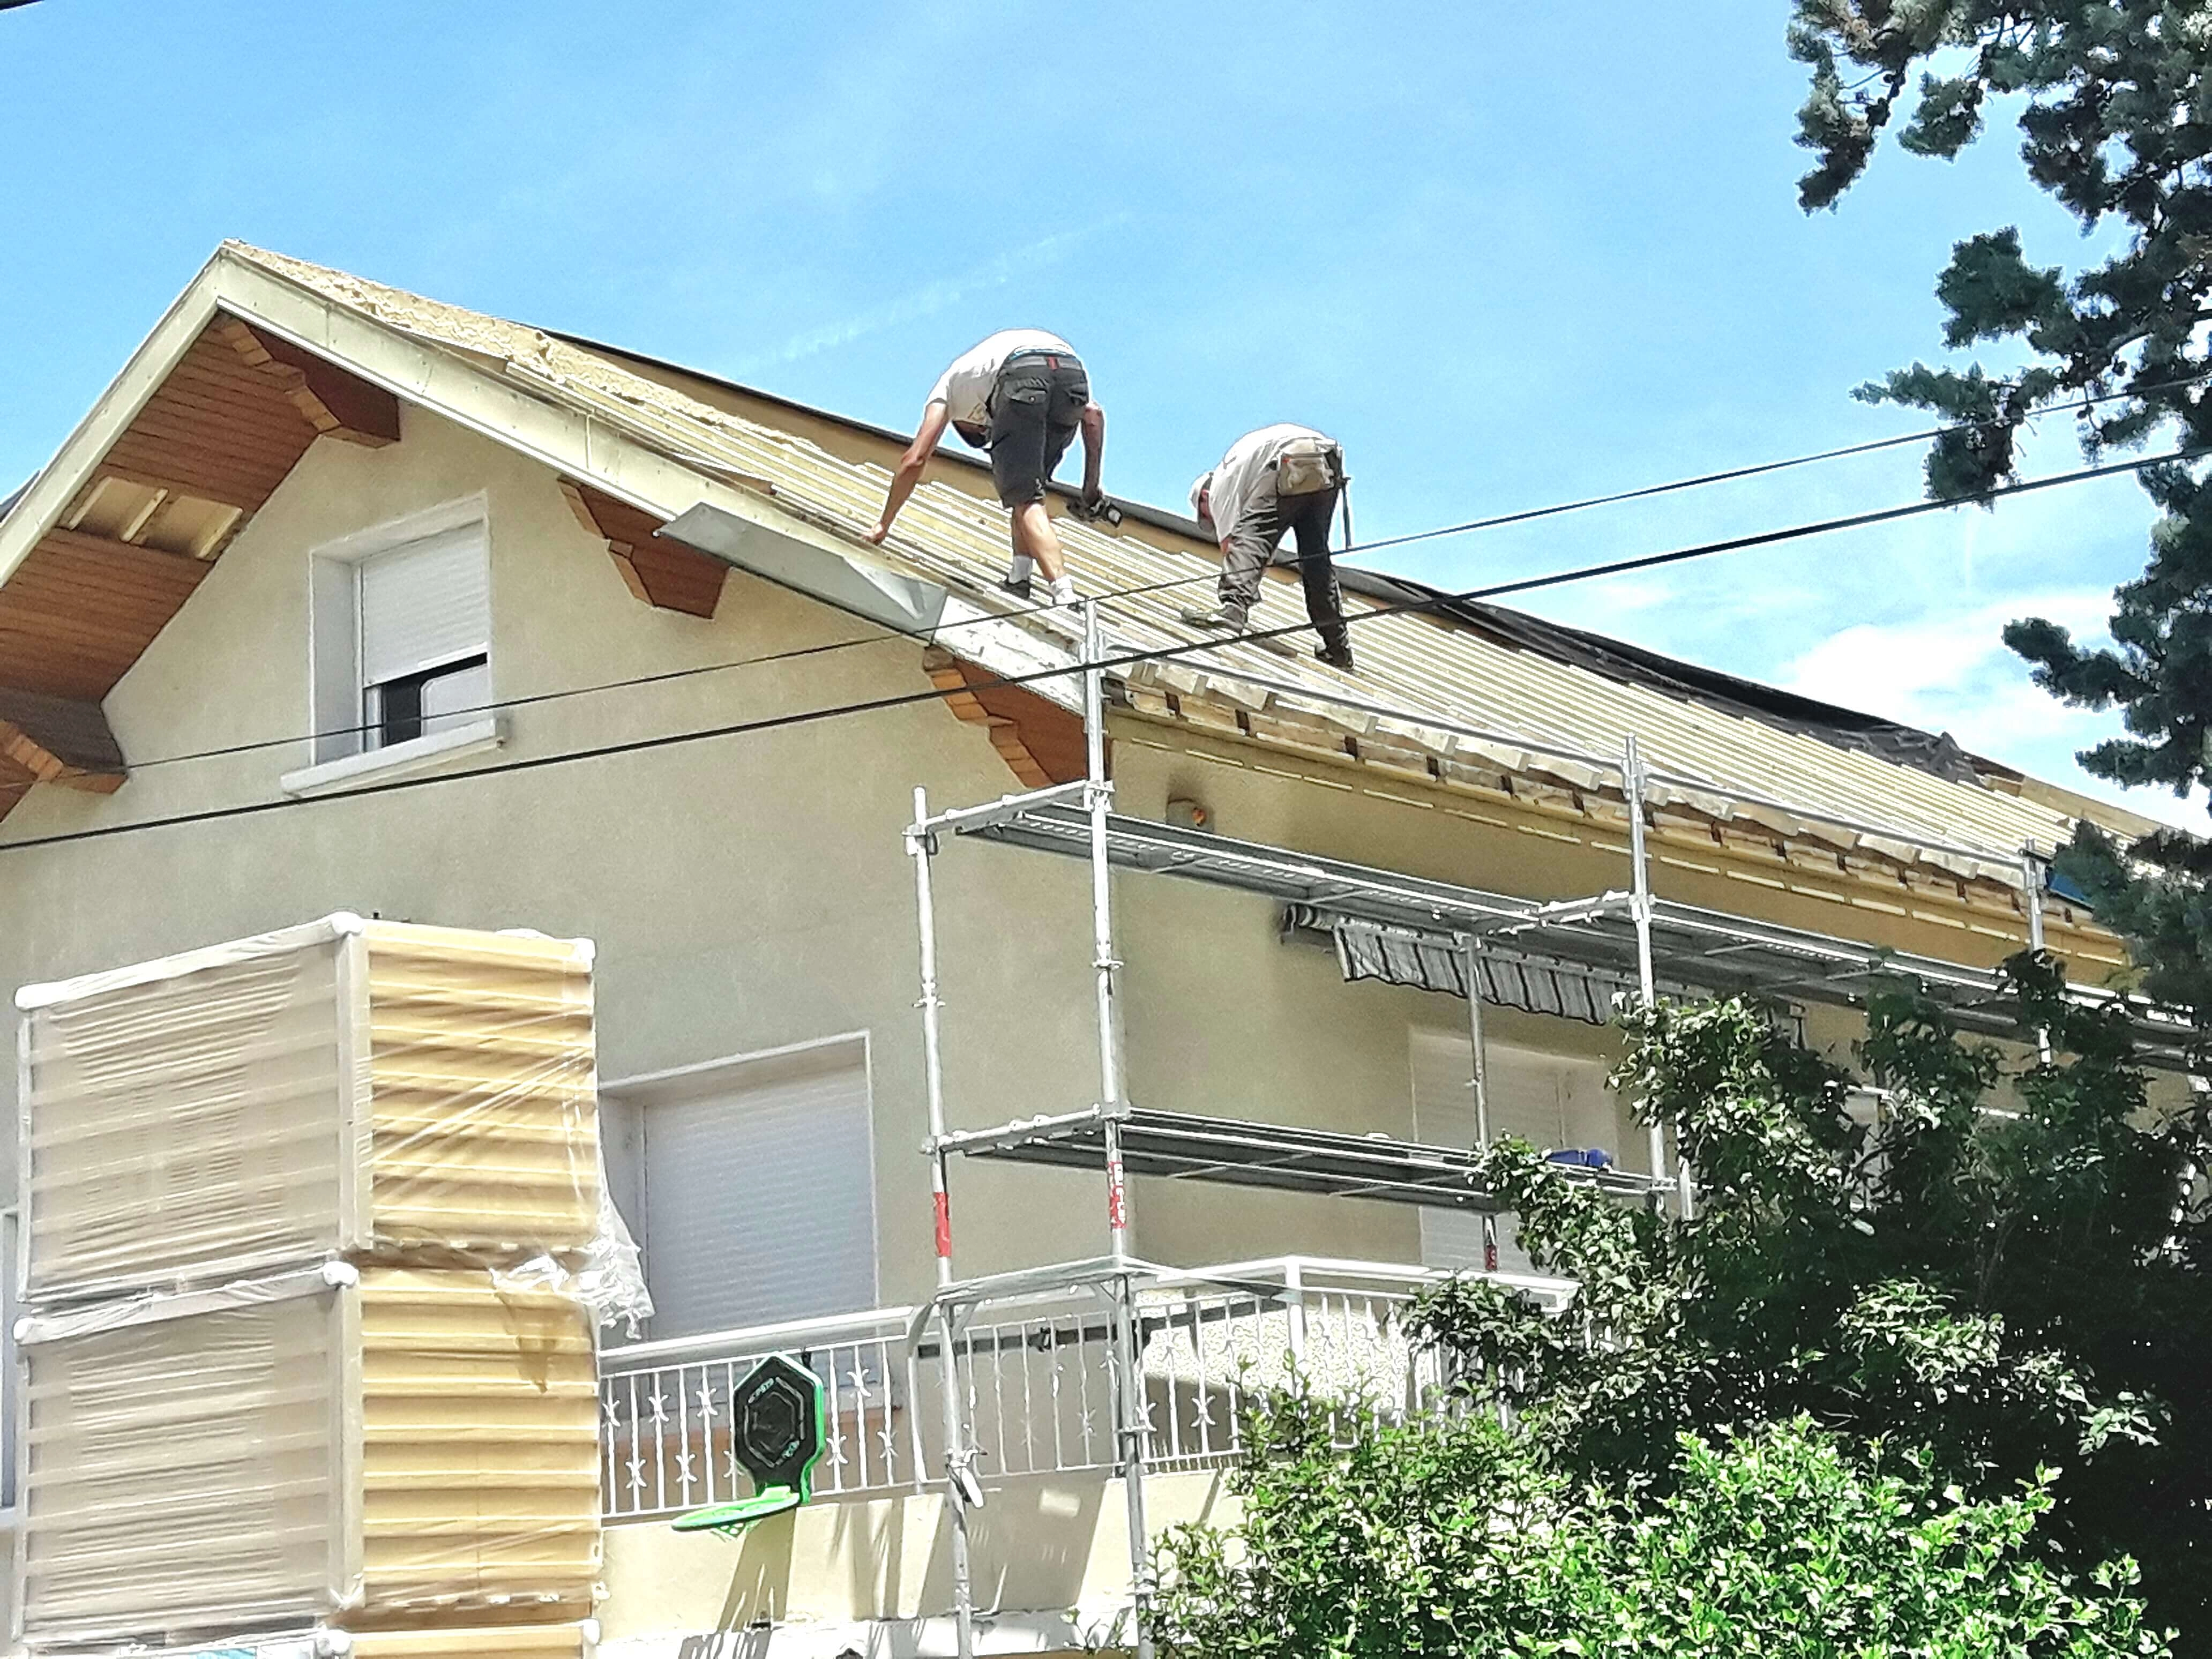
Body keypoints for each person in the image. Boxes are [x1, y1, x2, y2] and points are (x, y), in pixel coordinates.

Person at [868, 330, 1106, 606]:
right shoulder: (978, 373)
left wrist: (882, 525)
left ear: (964, 423)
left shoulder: (946, 390)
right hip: (1071, 374)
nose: (989, 432)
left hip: (1022, 375)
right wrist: (1091, 487)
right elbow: (1093, 415)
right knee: (1029, 488)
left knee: (1025, 497)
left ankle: (1064, 594)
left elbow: (915, 459)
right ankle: (1019, 577)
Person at [1186, 423, 1355, 670]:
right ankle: (1338, 647)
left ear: (1204, 497)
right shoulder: (1242, 466)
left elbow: (1237, 544)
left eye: (1205, 515)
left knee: (1251, 536)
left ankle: (1233, 612)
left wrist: (1245, 590)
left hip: (1290, 459)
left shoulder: (1220, 486)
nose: (1211, 519)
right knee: (1315, 558)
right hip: (1326, 461)